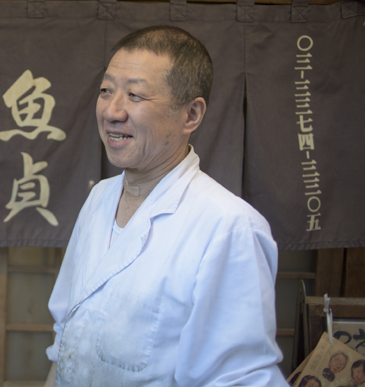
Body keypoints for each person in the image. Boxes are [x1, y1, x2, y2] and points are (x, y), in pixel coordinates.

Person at [44, 25, 287, 386]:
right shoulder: (100, 199)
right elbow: (65, 342)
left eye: (136, 96)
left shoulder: (228, 227)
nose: (112, 111)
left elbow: (238, 379)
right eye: (106, 91)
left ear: (191, 115)